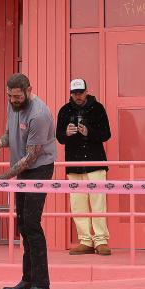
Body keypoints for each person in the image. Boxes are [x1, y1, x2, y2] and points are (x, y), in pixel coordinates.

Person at [0, 73, 57, 289]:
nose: (13, 100)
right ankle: (28, 279)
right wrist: (0, 141)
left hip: (38, 169)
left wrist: (3, 177)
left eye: (18, 97)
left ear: (28, 90)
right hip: (21, 168)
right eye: (10, 96)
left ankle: (42, 285)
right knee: (23, 223)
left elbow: (31, 158)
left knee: (32, 224)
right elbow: (11, 135)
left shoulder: (39, 114)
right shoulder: (13, 105)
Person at [55, 77, 111, 256]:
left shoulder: (98, 108)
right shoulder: (64, 111)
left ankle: (101, 240)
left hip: (95, 162)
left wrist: (89, 132)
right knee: (78, 203)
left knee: (98, 202)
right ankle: (85, 240)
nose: (78, 96)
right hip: (74, 163)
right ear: (71, 93)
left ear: (87, 91)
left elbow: (106, 134)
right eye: (75, 93)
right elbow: (59, 137)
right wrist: (66, 133)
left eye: (80, 92)